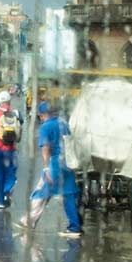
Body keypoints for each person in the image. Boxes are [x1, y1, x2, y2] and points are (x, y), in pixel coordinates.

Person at [20, 101, 82, 237]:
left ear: (42, 115)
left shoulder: (46, 127)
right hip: (68, 163)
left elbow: (46, 148)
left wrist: (47, 168)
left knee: (41, 193)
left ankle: (29, 221)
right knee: (68, 195)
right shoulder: (63, 123)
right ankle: (75, 226)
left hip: (55, 165)